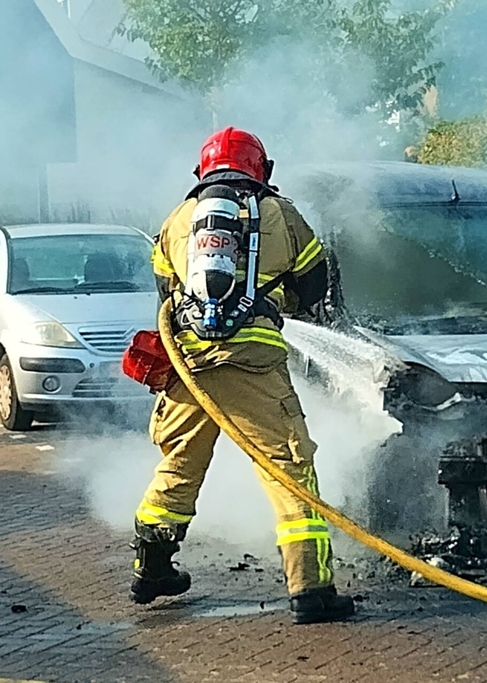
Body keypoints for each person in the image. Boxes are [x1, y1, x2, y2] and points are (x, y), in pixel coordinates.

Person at [131, 127, 354, 625]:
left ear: (203, 171)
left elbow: (165, 290)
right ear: (262, 169)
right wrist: (277, 298)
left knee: (179, 466)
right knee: (289, 468)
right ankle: (311, 590)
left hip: (189, 365)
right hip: (253, 362)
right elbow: (316, 282)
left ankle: (152, 567)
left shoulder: (178, 219)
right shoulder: (280, 214)